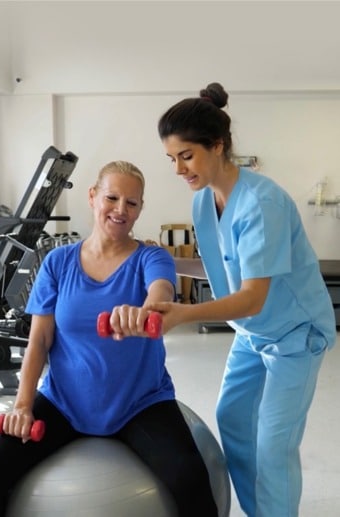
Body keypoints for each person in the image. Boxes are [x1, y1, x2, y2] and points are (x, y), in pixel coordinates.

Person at [0, 160, 218, 517]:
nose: (120, 209)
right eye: (112, 197)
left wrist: (144, 312)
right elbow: (38, 341)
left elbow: (160, 293)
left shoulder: (151, 256)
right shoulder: (58, 262)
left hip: (140, 403)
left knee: (189, 477)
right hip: (64, 402)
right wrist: (22, 404)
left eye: (132, 203)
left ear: (141, 208)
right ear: (93, 196)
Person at [144, 83, 337, 517]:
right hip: (253, 332)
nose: (178, 169)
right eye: (171, 158)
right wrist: (160, 259)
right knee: (231, 419)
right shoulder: (202, 203)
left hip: (294, 333)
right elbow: (223, 273)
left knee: (274, 441)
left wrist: (183, 314)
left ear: (217, 146)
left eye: (186, 155)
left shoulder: (261, 203)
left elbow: (251, 296)